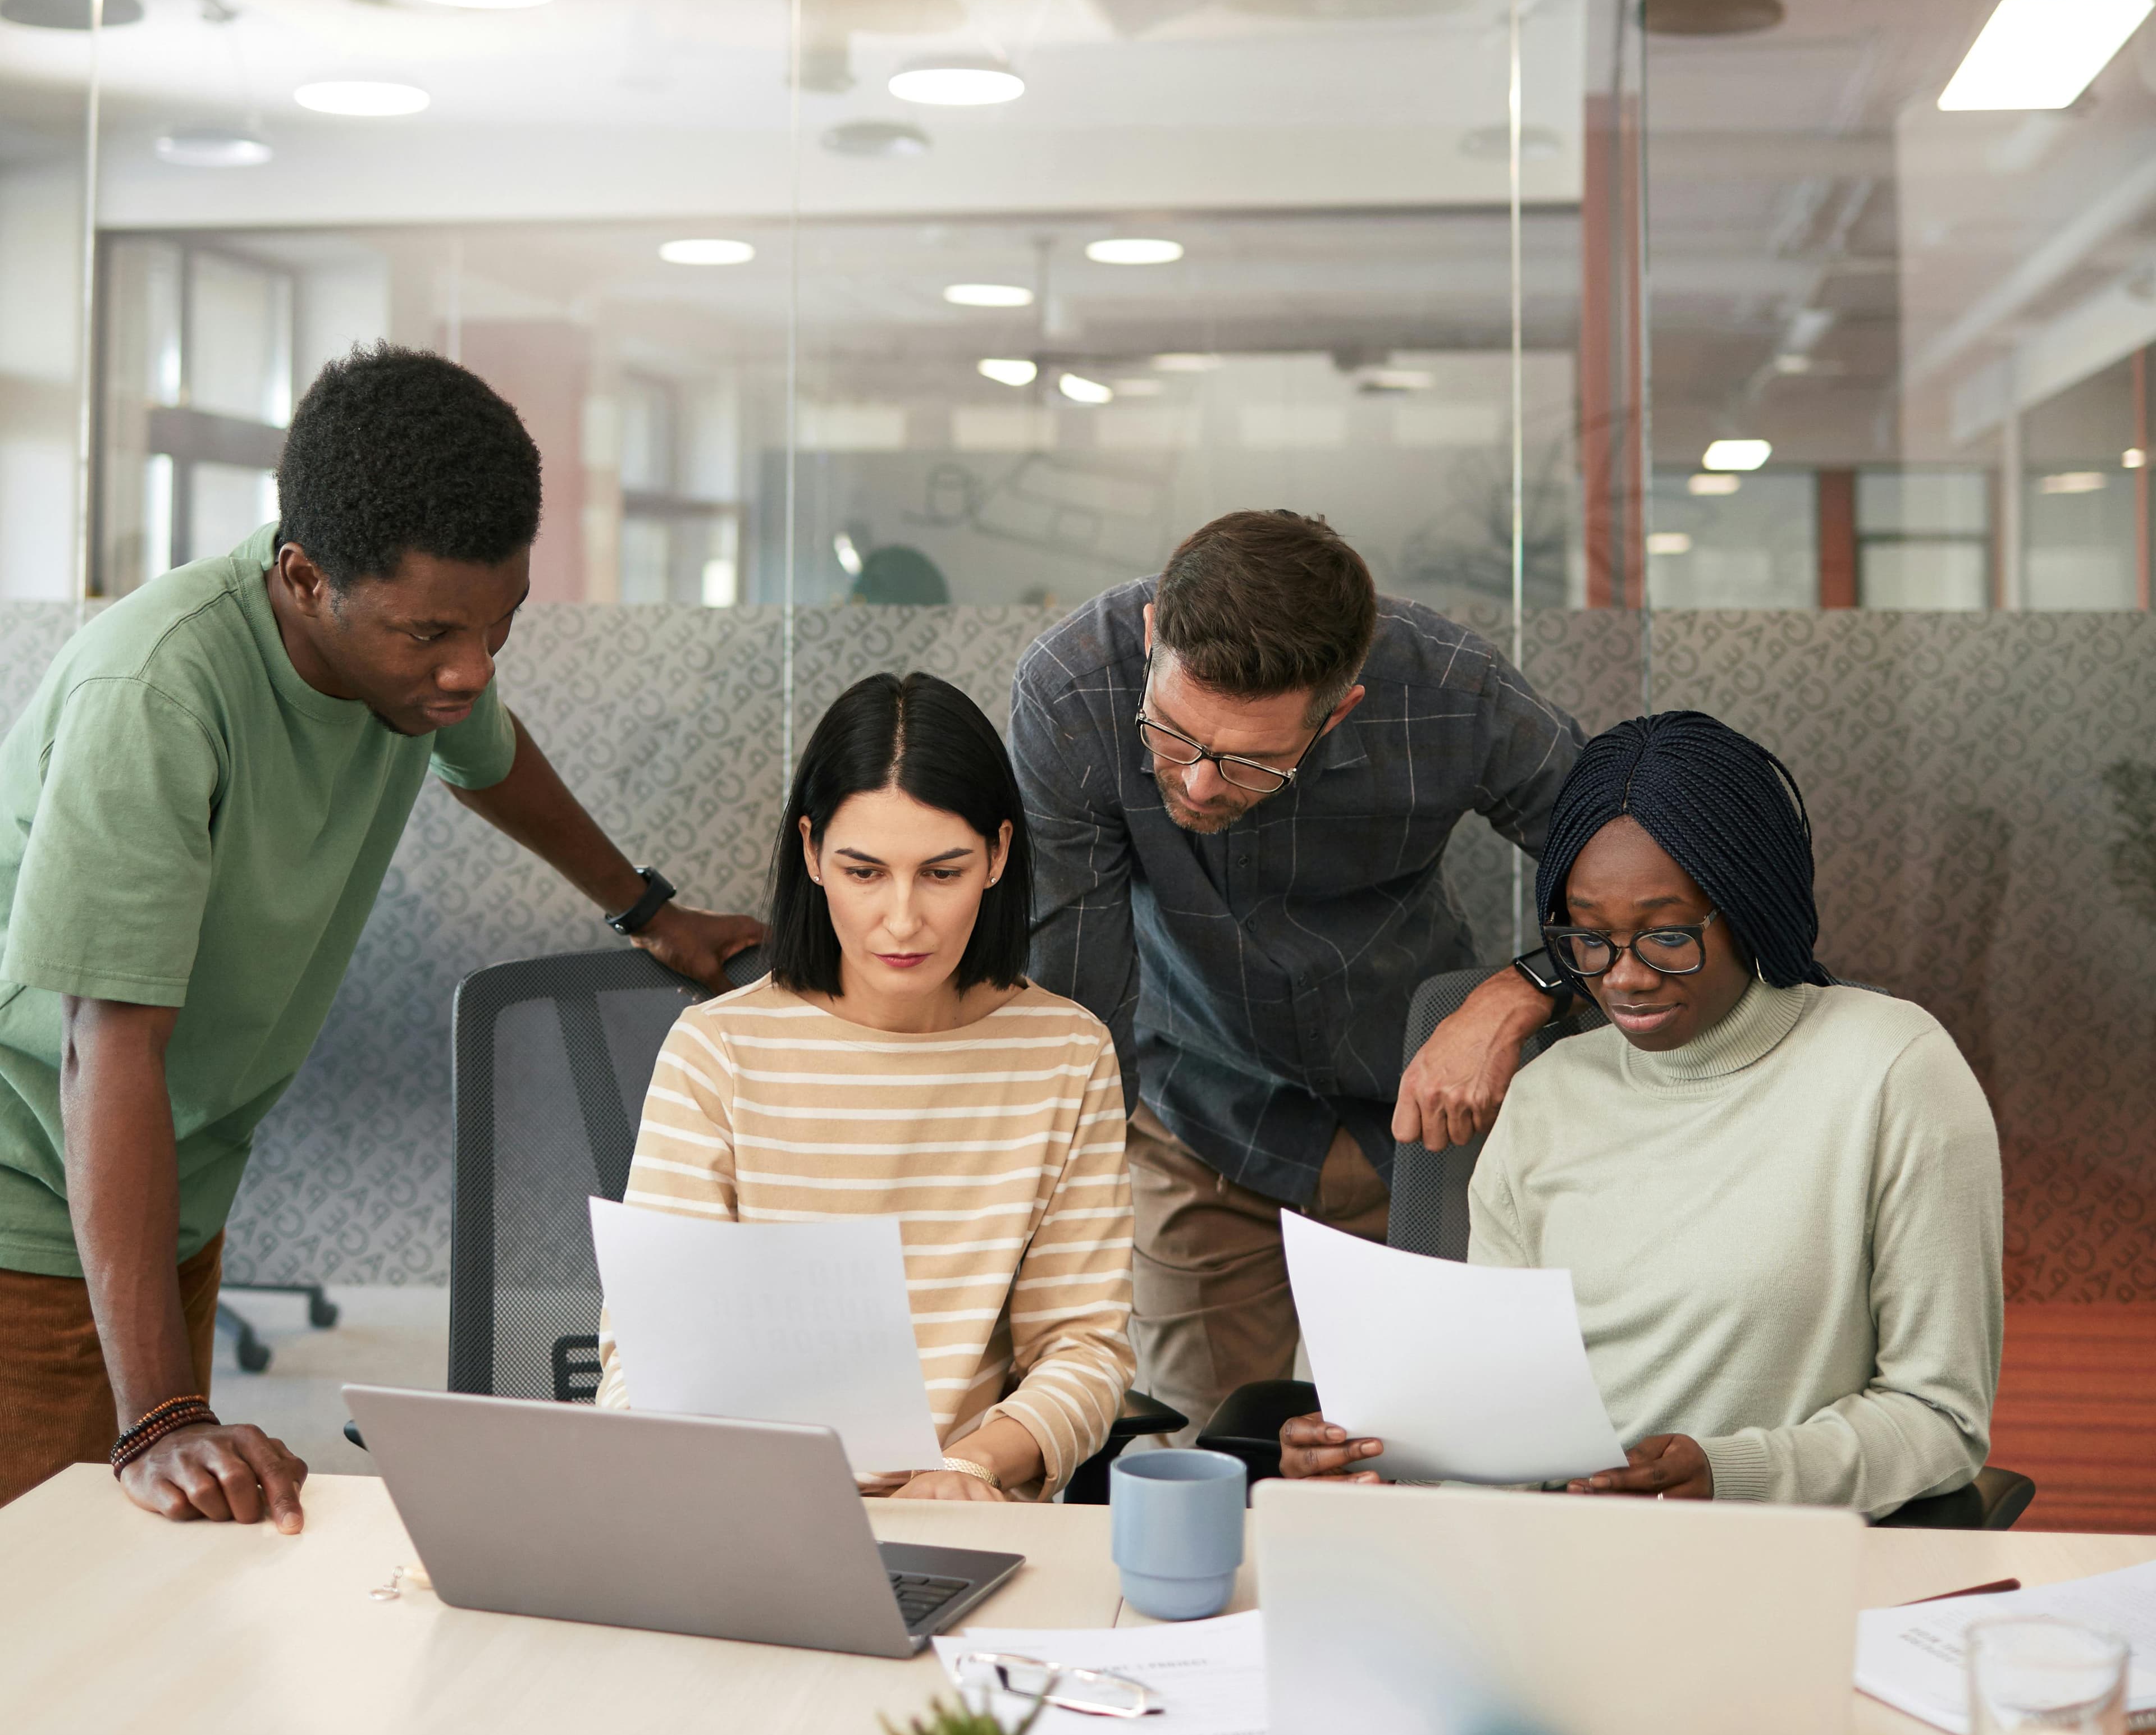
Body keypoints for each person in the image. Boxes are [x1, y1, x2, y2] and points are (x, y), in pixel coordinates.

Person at [0, 345, 764, 1528]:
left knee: (167, 1570)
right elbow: (107, 1047)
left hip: (164, 1194)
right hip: (30, 1199)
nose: (471, 668)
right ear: (304, 578)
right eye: (431, 636)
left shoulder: (405, 661)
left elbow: (490, 764)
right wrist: (158, 1415)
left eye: (499, 623)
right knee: (51, 1623)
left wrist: (646, 910)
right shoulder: (155, 694)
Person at [1282, 710, 2004, 1515]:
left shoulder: (1893, 1072)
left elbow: (1940, 1418)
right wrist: (1366, 1449)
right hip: (1552, 1556)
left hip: (1772, 1564)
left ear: (1750, 903)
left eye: (1665, 936)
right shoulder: (1549, 1095)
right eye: (1587, 940)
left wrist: (1733, 1474)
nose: (1622, 979)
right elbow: (1498, 1415)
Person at [1010, 507, 1584, 1431]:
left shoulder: (1448, 690)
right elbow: (1079, 985)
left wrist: (1519, 993)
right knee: (1211, 1456)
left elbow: (1630, 866)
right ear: (1156, 636)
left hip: (1420, 1113)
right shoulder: (1073, 691)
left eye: (1251, 763)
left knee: (1443, 1444)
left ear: (1342, 705)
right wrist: (1056, 1230)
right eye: (1173, 736)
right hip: (1199, 1111)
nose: (1197, 785)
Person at [599, 670, 1131, 1501]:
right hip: (749, 1507)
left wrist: (973, 1465)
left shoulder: (1064, 1054)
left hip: (959, 1513)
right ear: (811, 853)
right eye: (864, 871)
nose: (903, 920)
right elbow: (648, 1348)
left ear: (997, 855)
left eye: (943, 873)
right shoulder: (720, 1049)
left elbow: (1085, 1349)